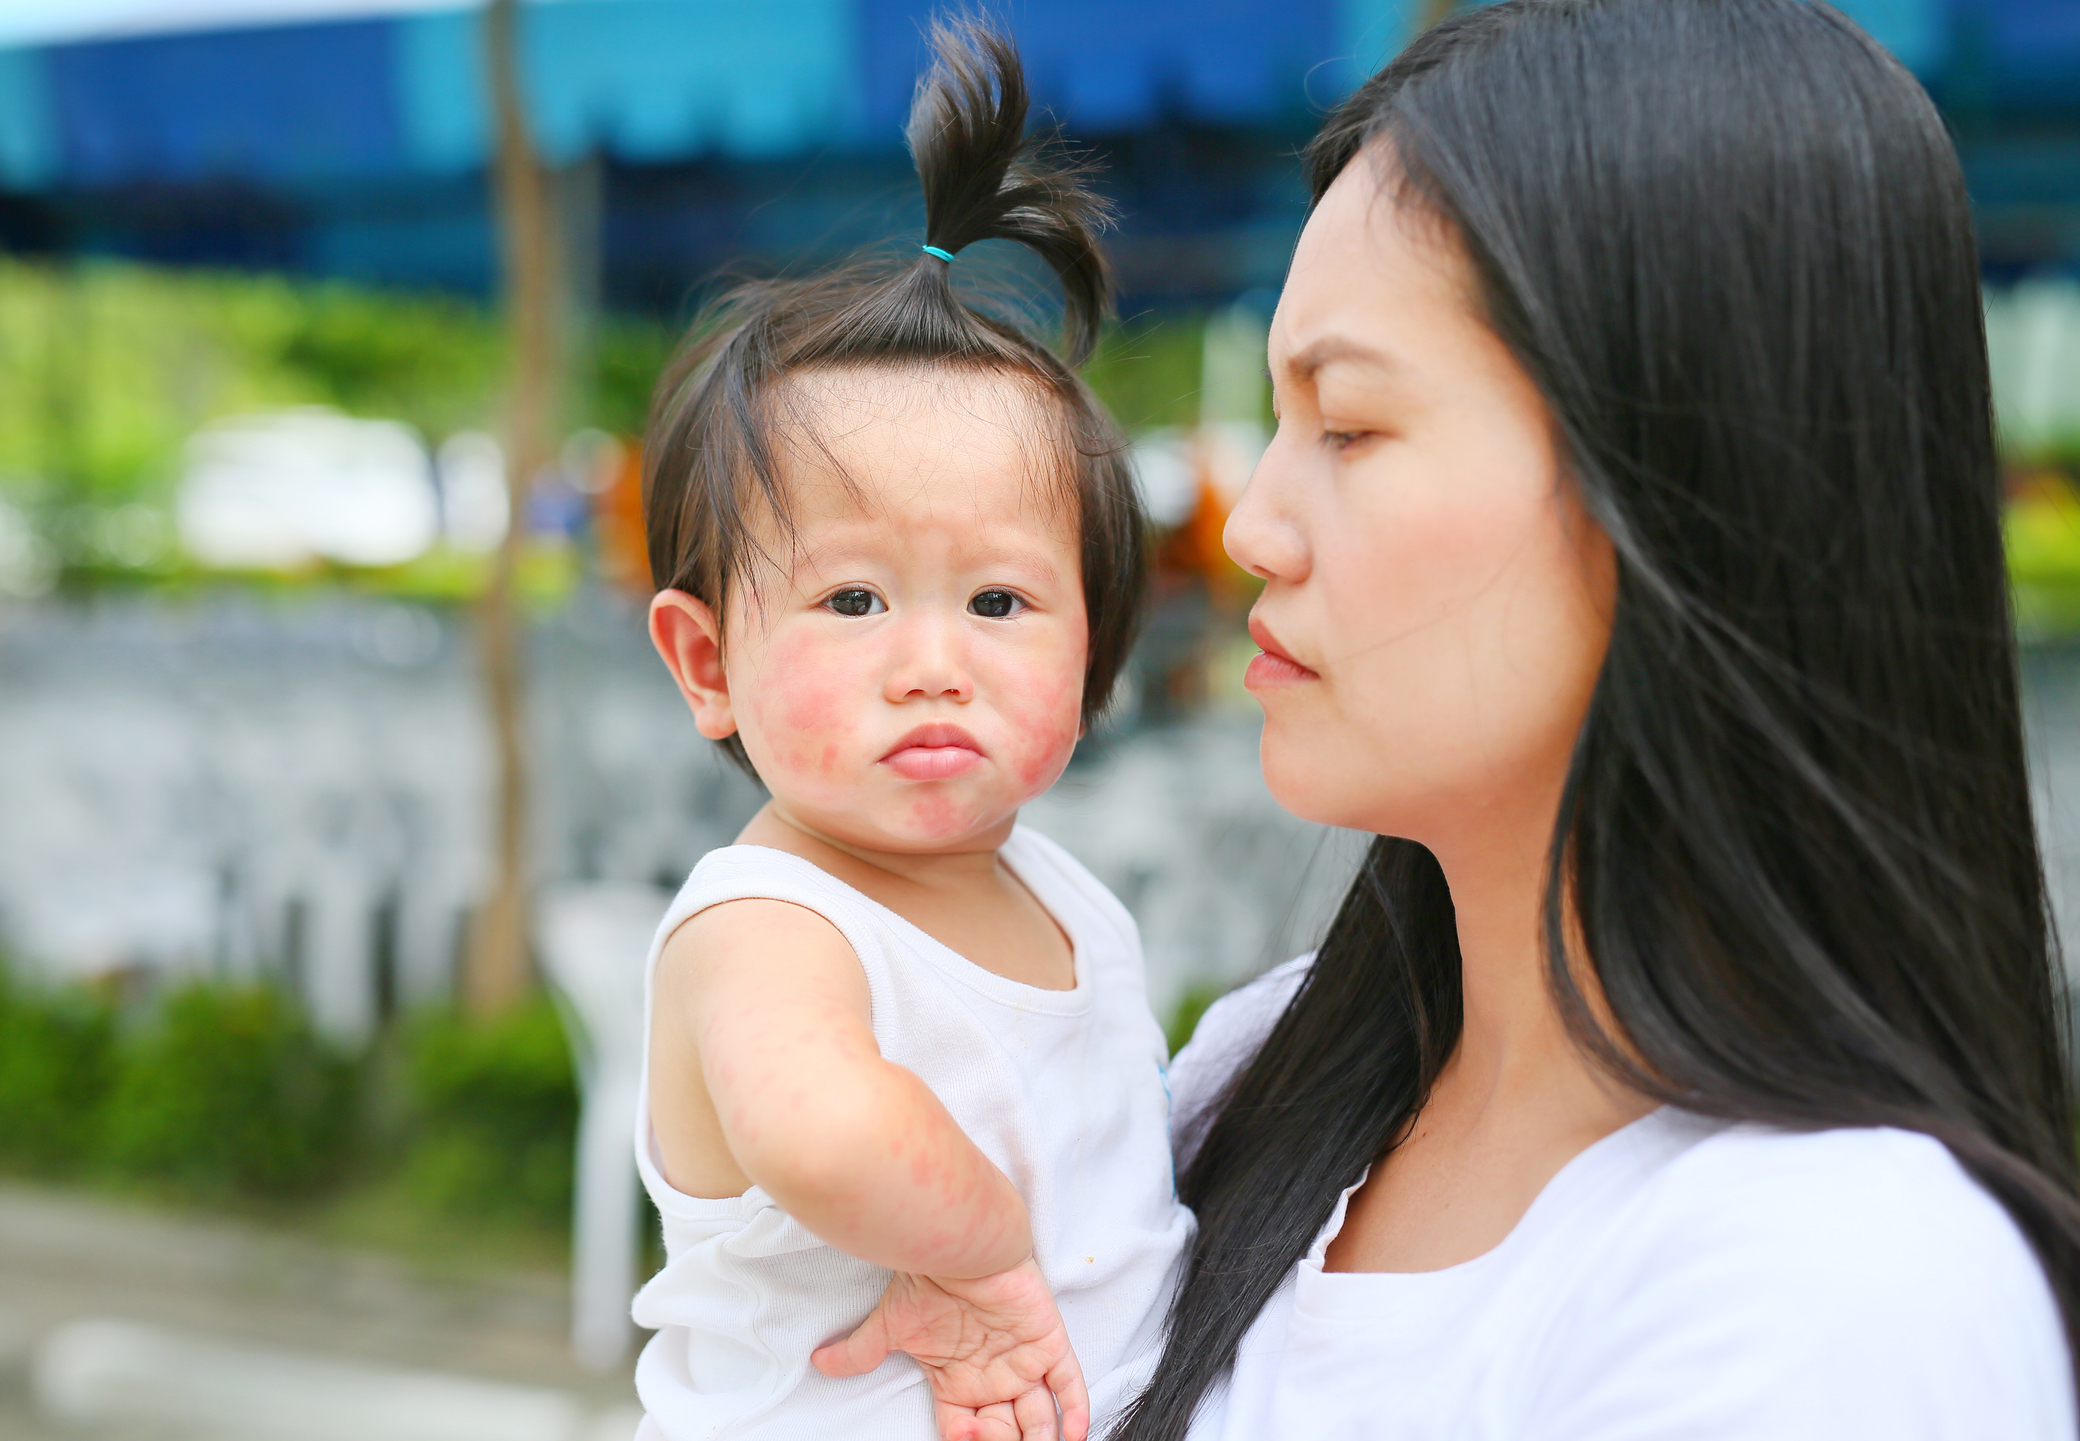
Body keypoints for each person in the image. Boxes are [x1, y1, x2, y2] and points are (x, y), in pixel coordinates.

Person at [1113, 2, 2080, 1438]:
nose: (1254, 525)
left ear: (1682, 473)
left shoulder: (1839, 1284)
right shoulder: (1252, 1081)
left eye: (1352, 426)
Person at [629, 20, 1187, 1441]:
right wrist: (983, 1258)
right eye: (855, 597)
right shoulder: (770, 923)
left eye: (1001, 600)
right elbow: (823, 1128)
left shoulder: (1067, 901)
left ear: (1097, 642)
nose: (932, 663)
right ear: (708, 663)